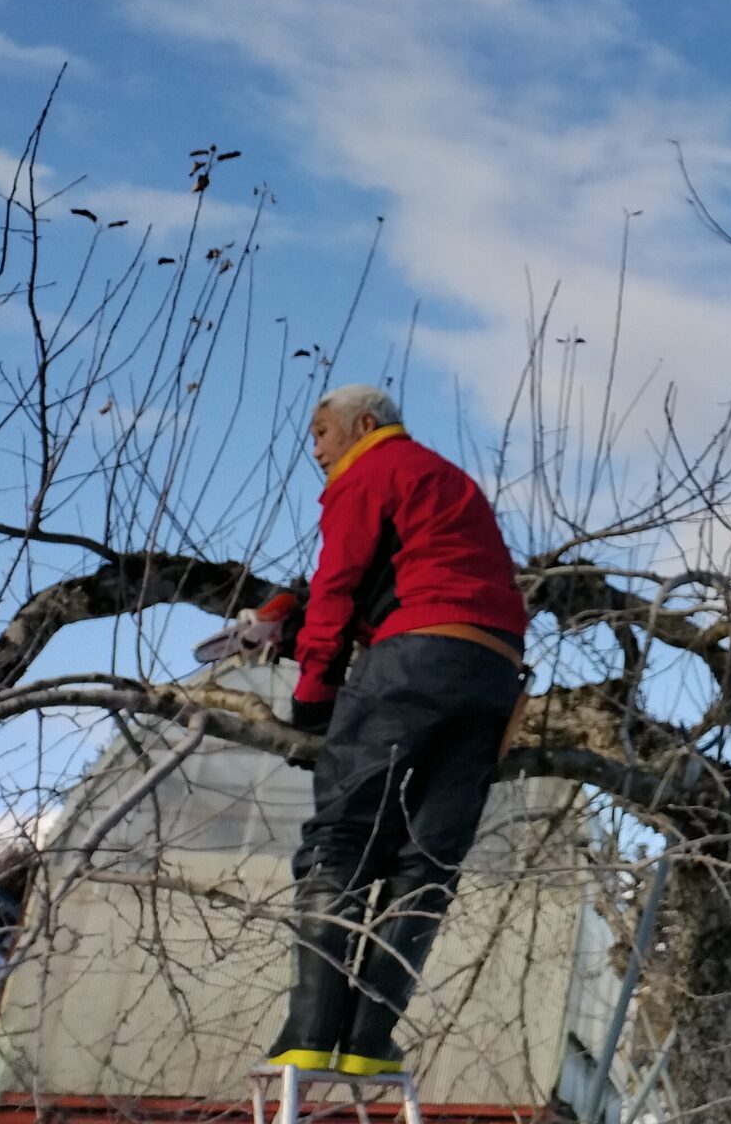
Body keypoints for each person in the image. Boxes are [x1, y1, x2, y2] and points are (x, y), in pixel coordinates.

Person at [267, 384, 527, 1077]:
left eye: (321, 432)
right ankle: (367, 1043)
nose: (315, 450)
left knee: (343, 836)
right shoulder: (448, 482)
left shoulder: (370, 470)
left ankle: (310, 1031)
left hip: (413, 658)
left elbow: (339, 583)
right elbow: (420, 573)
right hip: (494, 671)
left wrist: (314, 691)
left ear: (364, 424)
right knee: (427, 861)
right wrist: (289, 619)